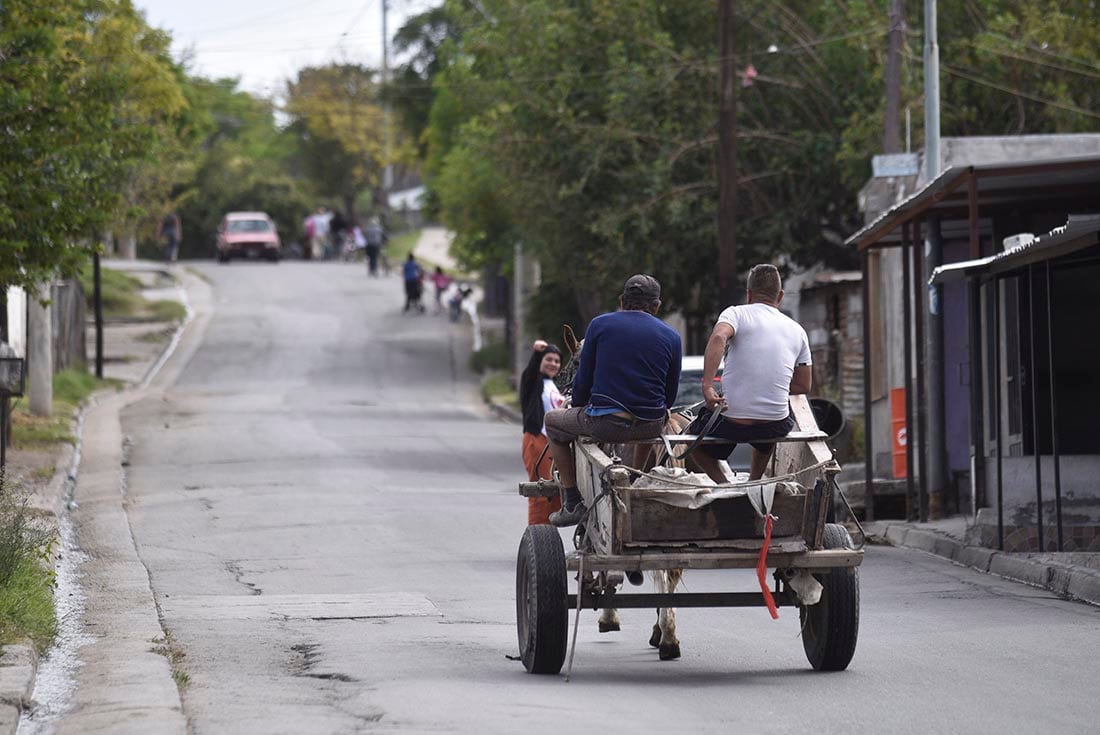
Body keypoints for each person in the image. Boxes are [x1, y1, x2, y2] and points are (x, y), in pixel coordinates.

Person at [544, 274, 682, 526]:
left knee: (552, 421)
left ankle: (572, 500)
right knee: (653, 416)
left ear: (621, 301)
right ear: (657, 306)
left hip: (606, 425)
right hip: (650, 426)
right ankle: (635, 478)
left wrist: (579, 407)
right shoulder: (672, 337)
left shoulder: (599, 325)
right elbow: (669, 396)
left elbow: (582, 385)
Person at [689, 263, 812, 483]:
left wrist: (707, 386)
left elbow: (718, 337)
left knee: (691, 442)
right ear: (780, 296)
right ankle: (754, 481)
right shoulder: (798, 330)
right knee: (769, 432)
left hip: (732, 420)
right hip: (775, 423)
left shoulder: (736, 314)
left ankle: (725, 486)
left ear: (749, 294)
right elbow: (804, 386)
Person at [519, 339, 565, 524]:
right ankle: (538, 535)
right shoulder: (533, 381)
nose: (553, 364)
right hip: (537, 440)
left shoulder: (554, 385)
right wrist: (537, 353)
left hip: (554, 445)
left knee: (557, 492)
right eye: (548, 359)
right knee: (541, 491)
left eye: (556, 361)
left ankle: (549, 536)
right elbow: (530, 373)